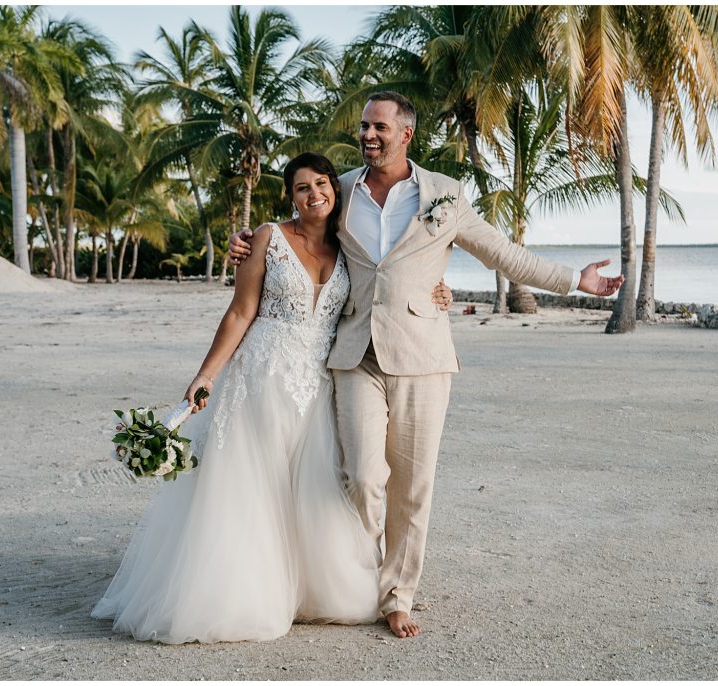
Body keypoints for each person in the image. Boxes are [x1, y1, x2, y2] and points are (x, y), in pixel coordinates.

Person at [229, 91, 624, 638]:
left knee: (412, 485)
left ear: (405, 134)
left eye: (379, 127)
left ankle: (397, 596)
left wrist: (573, 280)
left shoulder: (445, 195)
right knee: (362, 476)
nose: (368, 135)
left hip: (422, 354)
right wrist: (248, 241)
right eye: (365, 127)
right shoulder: (340, 189)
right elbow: (303, 231)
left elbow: (502, 253)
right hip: (353, 353)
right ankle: (355, 582)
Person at [91, 152, 454, 644]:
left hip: (318, 383)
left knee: (311, 491)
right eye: (302, 187)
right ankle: (244, 592)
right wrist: (206, 376)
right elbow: (240, 313)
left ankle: (308, 589)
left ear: (335, 189)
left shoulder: (351, 246)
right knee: (252, 489)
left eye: (322, 183)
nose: (314, 194)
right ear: (290, 196)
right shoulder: (266, 238)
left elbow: (391, 279)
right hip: (260, 377)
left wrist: (439, 290)